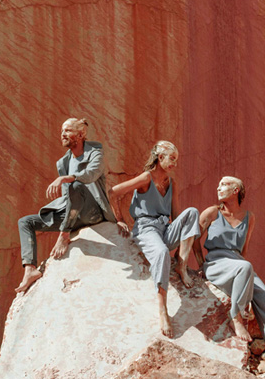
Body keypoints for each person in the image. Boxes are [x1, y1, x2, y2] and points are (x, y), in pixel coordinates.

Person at [16, 118, 117, 294]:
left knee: (76, 185)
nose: (63, 134)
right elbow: (68, 196)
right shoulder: (63, 162)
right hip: (73, 213)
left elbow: (90, 175)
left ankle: (64, 235)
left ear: (80, 134)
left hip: (92, 212)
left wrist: (66, 178)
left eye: (68, 130)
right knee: (25, 222)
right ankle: (30, 270)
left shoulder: (95, 153)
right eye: (62, 131)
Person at [111, 141, 200, 337]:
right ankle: (163, 309)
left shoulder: (171, 183)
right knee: (160, 253)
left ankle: (182, 265)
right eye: (172, 159)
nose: (174, 164)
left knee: (192, 213)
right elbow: (113, 193)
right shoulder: (146, 178)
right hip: (146, 228)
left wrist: (184, 234)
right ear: (160, 158)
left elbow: (176, 215)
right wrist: (119, 219)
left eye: (176, 160)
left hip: (165, 229)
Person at [200, 176, 265, 350]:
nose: (218, 188)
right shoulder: (212, 212)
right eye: (218, 184)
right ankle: (236, 318)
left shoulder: (249, 217)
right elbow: (192, 238)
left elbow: (243, 250)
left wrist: (246, 279)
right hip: (215, 262)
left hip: (238, 264)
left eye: (223, 185)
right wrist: (200, 263)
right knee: (246, 267)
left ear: (236, 190)